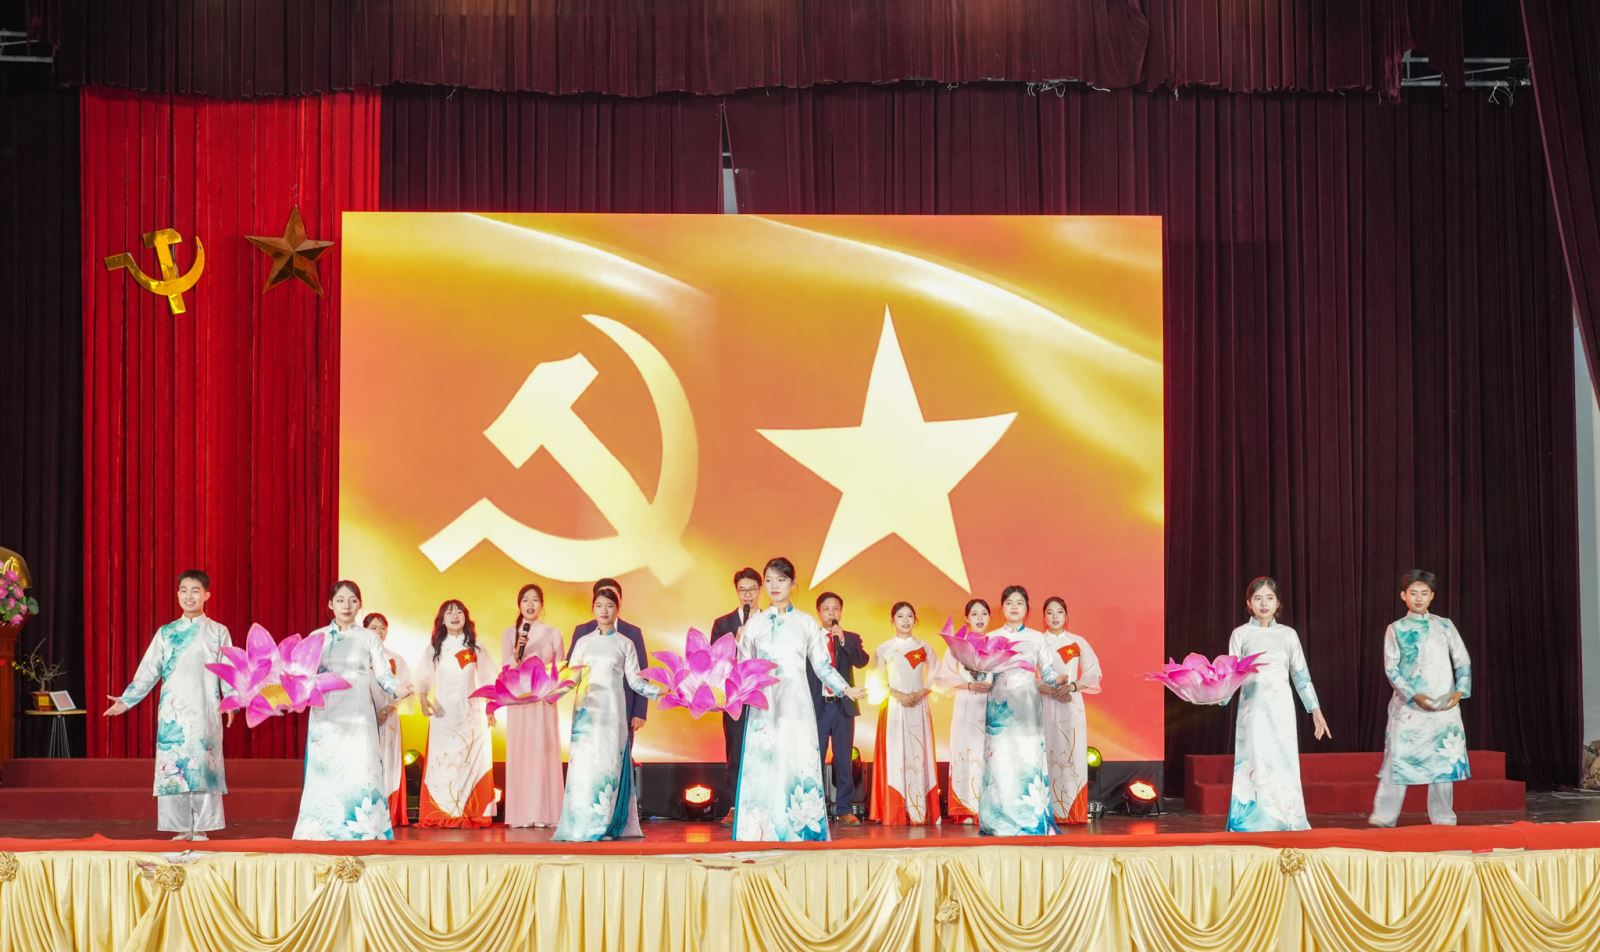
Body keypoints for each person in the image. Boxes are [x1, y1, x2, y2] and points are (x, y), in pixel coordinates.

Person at [732, 557, 865, 842]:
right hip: (764, 706)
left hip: (797, 704)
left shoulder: (806, 623)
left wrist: (844, 689)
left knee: (797, 762)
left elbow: (822, 665)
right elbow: (742, 669)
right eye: (769, 580)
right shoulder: (754, 625)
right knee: (764, 764)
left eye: (781, 580)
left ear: (793, 583)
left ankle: (800, 829)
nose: (774, 586)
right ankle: (760, 829)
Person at [102, 569, 234, 841]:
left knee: (204, 765)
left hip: (206, 709)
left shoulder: (218, 631)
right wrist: (127, 700)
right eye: (184, 590)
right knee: (173, 767)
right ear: (177, 594)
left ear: (207, 595)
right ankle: (181, 826)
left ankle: (202, 826)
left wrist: (231, 700)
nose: (189, 596)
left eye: (195, 590)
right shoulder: (166, 632)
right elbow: (149, 670)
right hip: (173, 712)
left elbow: (228, 670)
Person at [292, 580, 401, 840]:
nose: (346, 606)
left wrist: (399, 689)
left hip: (359, 712)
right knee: (326, 769)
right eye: (340, 600)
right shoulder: (317, 637)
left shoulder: (368, 637)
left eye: (352, 600)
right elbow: (301, 673)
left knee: (361, 766)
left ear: (360, 605)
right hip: (326, 714)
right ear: (330, 604)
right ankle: (322, 830)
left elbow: (383, 674)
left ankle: (365, 830)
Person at [553, 587, 663, 841]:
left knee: (608, 767)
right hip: (586, 714)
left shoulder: (626, 643)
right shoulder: (583, 642)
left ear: (618, 609)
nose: (604, 611)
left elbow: (635, 681)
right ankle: (581, 824)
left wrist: (659, 691)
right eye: (599, 606)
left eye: (609, 606)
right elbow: (571, 678)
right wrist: (550, 694)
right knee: (584, 768)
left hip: (613, 715)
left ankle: (605, 824)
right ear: (593, 608)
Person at [1226, 576, 1332, 832]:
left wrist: (1315, 710)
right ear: (1249, 603)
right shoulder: (1241, 634)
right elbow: (1229, 675)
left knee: (1283, 762)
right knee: (1254, 762)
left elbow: (1301, 675)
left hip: (1282, 709)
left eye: (1269, 598)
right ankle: (1250, 823)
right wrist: (1216, 696)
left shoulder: (1288, 635)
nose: (1264, 604)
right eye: (1258, 598)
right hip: (1252, 710)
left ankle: (1288, 820)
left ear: (1277, 602)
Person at [1369, 569, 1471, 828]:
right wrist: (1413, 695)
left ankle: (1444, 818)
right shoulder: (1396, 629)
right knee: (1398, 759)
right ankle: (1384, 817)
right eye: (1413, 593)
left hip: (1444, 705)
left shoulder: (1445, 625)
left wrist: (1460, 691)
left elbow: (1462, 660)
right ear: (1403, 595)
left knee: (1443, 762)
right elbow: (1391, 669)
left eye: (1424, 593)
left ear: (1432, 596)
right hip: (1410, 707)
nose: (1418, 598)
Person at [979, 585, 1067, 836]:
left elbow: (1047, 673)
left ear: (1027, 609)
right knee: (1001, 760)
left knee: (1028, 759)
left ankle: (1031, 820)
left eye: (1019, 603)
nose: (1014, 607)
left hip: (1027, 703)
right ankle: (998, 820)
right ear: (1002, 608)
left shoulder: (1037, 638)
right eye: (1009, 603)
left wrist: (1058, 679)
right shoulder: (991, 637)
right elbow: (985, 675)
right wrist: (974, 668)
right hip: (1000, 704)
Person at [415, 599, 498, 828]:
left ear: (466, 617)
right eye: (449, 613)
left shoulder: (476, 647)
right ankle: (442, 813)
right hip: (444, 715)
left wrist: (491, 708)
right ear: (442, 620)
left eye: (459, 612)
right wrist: (423, 698)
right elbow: (423, 677)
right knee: (444, 763)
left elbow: (489, 678)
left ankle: (474, 812)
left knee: (471, 762)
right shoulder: (435, 648)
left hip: (472, 715)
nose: (454, 616)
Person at [869, 601, 939, 825]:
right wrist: (897, 694)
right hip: (894, 708)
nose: (906, 620)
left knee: (919, 754)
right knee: (896, 755)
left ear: (915, 620)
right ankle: (896, 811)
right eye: (900, 616)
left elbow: (936, 677)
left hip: (919, 707)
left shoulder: (925, 647)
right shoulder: (883, 649)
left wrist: (921, 692)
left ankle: (919, 810)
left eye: (910, 616)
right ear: (892, 621)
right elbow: (875, 680)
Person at [501, 583, 565, 828]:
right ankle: (521, 814)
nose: (530, 604)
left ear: (542, 605)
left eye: (535, 600)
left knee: (543, 752)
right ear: (519, 605)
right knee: (522, 753)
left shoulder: (553, 633)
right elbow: (506, 668)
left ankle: (545, 813)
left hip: (542, 701)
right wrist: (518, 650)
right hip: (518, 701)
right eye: (525, 600)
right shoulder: (510, 633)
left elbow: (561, 669)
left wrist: (552, 692)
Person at [1038, 596, 1103, 825]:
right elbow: (1027, 676)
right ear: (1044, 617)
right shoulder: (1038, 642)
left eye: (1059, 612)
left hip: (1071, 705)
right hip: (1045, 704)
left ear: (1066, 616)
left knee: (1072, 752)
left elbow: (1094, 672)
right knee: (1047, 753)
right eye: (1049, 612)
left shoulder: (1077, 642)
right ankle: (1047, 811)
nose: (1055, 616)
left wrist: (1072, 686)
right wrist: (1049, 690)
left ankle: (1073, 811)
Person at [709, 567, 763, 824]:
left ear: (760, 590)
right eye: (743, 590)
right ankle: (734, 806)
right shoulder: (723, 623)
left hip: (764, 694)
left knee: (765, 749)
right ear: (736, 592)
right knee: (735, 751)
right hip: (735, 698)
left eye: (752, 589)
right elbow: (713, 660)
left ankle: (763, 804)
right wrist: (734, 642)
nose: (748, 595)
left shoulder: (771, 621)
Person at [932, 598, 993, 823]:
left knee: (990, 755)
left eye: (983, 613)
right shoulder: (957, 645)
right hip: (966, 706)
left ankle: (990, 808)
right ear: (966, 618)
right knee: (965, 754)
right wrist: (968, 685)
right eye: (974, 614)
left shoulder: (996, 643)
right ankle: (966, 809)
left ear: (989, 617)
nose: (979, 618)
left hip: (990, 705)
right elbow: (945, 675)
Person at [811, 590, 869, 823]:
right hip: (818, 706)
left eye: (835, 609)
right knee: (814, 757)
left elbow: (862, 661)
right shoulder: (810, 639)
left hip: (843, 707)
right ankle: (814, 808)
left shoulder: (850, 638)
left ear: (841, 612)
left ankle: (844, 809)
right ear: (819, 612)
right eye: (826, 609)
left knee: (844, 758)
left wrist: (843, 641)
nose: (831, 613)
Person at [569, 577, 650, 736]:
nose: (605, 606)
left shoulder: (632, 633)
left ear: (620, 602)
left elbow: (642, 674)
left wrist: (639, 711)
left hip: (622, 709)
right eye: (601, 599)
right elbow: (571, 671)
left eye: (611, 598)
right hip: (588, 710)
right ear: (594, 603)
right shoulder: (582, 632)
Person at [364, 612, 415, 829]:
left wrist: (389, 707)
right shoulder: (359, 659)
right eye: (373, 628)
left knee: (389, 762)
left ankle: (390, 814)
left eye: (382, 628)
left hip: (390, 718)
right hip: (365, 717)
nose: (379, 632)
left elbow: (408, 687)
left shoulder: (396, 659)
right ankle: (367, 816)